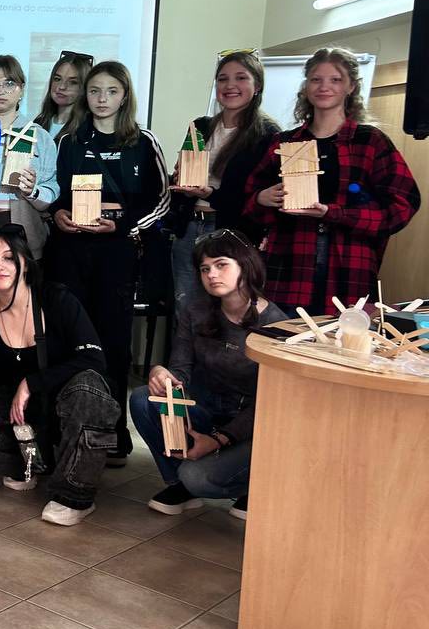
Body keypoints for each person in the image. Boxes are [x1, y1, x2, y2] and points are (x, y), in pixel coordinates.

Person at [0, 225, 118, 526]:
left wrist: (31, 383)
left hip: (66, 406)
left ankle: (74, 495)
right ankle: (30, 465)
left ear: (25, 261)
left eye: (9, 257)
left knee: (88, 388)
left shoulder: (56, 298)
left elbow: (94, 359)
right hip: (23, 418)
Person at [50, 61, 169, 461]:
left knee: (113, 345)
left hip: (117, 256)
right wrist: (58, 215)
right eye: (95, 90)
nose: (102, 99)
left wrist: (122, 227)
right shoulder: (69, 140)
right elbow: (56, 197)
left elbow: (161, 202)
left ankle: (114, 433)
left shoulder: (143, 141)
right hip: (72, 254)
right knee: (70, 341)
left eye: (111, 91)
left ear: (125, 95)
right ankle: (69, 429)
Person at [244, 47, 419, 314]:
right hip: (287, 266)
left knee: (340, 336)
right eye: (316, 79)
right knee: (282, 333)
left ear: (351, 87)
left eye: (335, 79)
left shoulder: (370, 141)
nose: (324, 87)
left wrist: (334, 213)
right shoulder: (285, 142)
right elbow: (249, 201)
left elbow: (402, 205)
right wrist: (261, 198)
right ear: (306, 86)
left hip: (349, 267)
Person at [129, 229, 286, 520]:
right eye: (205, 269)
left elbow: (269, 404)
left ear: (245, 265)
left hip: (252, 427)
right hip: (207, 411)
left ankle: (254, 487)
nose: (212, 274)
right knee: (143, 399)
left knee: (198, 476)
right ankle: (180, 486)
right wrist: (160, 373)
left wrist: (220, 440)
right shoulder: (195, 310)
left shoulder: (276, 325)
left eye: (221, 265)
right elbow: (180, 371)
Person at [166, 50, 280, 311]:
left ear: (257, 85)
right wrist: (181, 180)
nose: (230, 85)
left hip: (231, 231)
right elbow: (183, 179)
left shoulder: (268, 135)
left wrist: (209, 193)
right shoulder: (201, 127)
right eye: (222, 79)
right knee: (185, 309)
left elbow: (255, 197)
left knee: (228, 311)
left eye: (241, 78)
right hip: (189, 228)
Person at [0, 54, 60, 259]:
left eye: (9, 83)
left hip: (22, 227)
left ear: (21, 89)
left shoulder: (39, 136)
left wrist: (33, 190)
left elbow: (52, 193)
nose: (0, 91)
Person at [33, 51, 92, 141]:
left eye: (73, 82)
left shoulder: (88, 128)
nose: (61, 87)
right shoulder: (38, 123)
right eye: (57, 79)